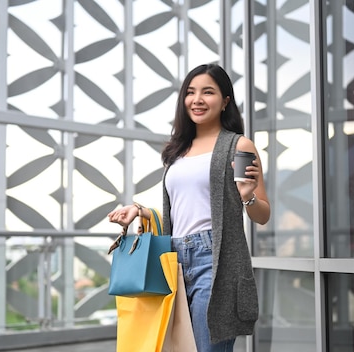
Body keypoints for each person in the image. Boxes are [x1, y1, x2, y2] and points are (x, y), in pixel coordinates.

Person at [108, 63, 270, 351]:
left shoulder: (239, 146)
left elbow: (262, 215)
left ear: (225, 101)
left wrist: (247, 196)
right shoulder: (177, 151)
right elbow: (183, 210)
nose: (197, 99)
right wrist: (141, 211)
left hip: (214, 261)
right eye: (191, 92)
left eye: (208, 92)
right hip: (174, 260)